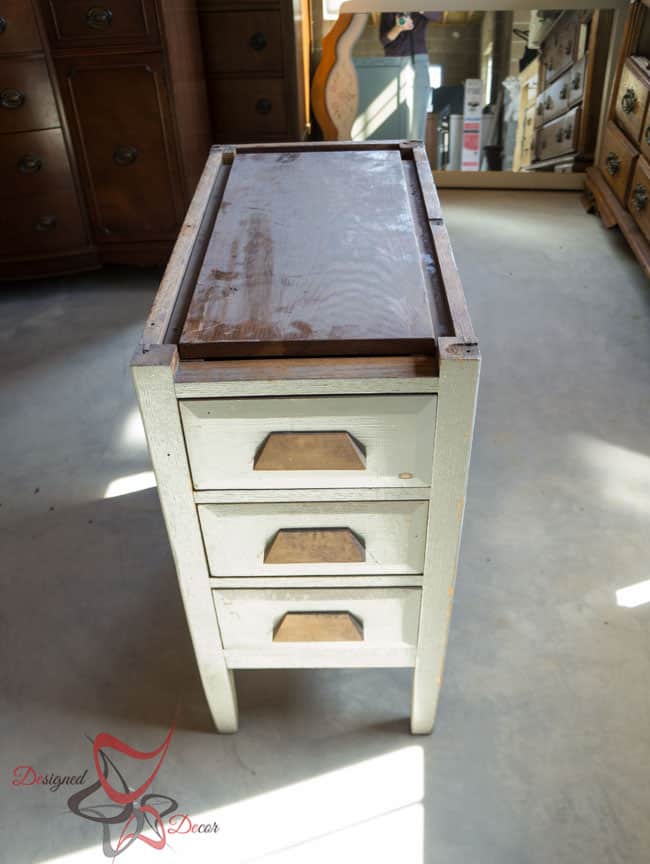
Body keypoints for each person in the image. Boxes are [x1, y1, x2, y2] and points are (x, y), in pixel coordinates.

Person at [379, 12, 442, 140]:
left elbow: (437, 15)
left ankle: (414, 150)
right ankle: (392, 152)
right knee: (391, 111)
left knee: (418, 112)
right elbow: (384, 39)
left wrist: (417, 6)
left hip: (418, 59)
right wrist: (398, 28)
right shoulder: (389, 8)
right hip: (394, 60)